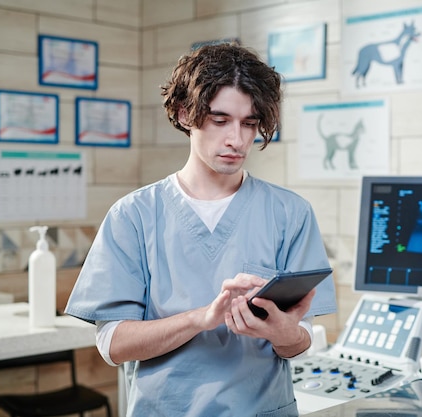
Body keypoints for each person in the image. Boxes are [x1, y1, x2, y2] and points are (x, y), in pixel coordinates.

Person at [64, 42, 337, 417]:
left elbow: (297, 343)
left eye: (250, 124)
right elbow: (112, 345)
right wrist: (201, 318)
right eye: (220, 120)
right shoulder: (134, 215)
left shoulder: (290, 213)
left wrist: (283, 332)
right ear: (184, 113)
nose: (237, 140)